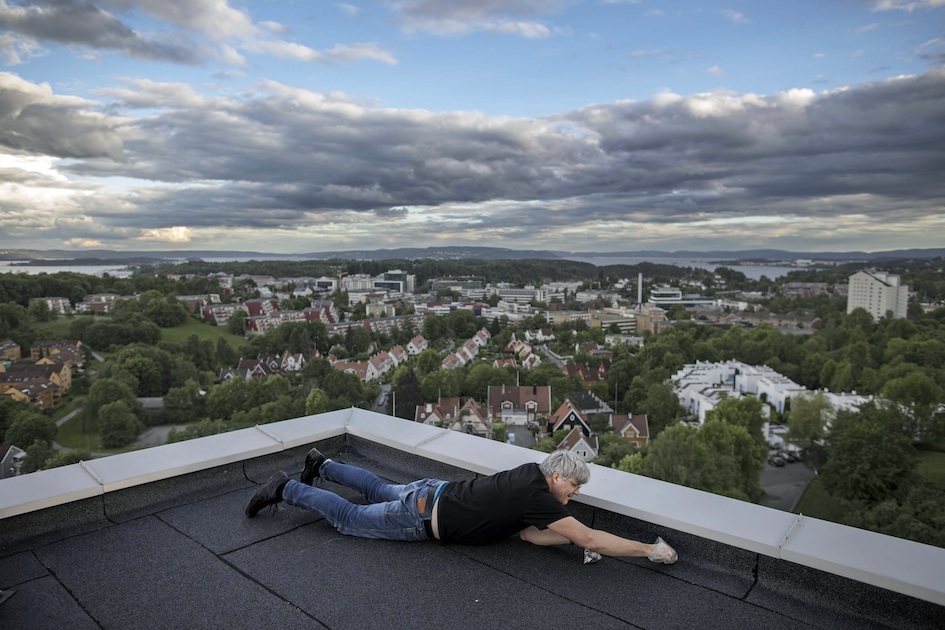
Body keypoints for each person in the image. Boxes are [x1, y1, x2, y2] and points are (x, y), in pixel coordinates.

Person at [245, 447, 678, 564]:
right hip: (423, 516)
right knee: (349, 518)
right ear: (558, 478)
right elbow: (585, 534)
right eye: (574, 486)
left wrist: (572, 540)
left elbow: (530, 534)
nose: (576, 493)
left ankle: (321, 464)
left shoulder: (529, 472)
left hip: (434, 491)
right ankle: (286, 488)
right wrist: (647, 549)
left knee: (377, 488)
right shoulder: (538, 496)